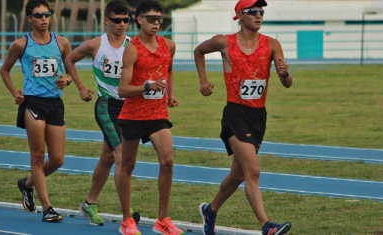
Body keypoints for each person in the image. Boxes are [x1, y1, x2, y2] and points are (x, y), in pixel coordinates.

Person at [193, 0, 293, 234]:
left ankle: (210, 211)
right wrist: (203, 80)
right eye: (253, 12)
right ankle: (267, 226)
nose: (259, 16)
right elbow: (199, 51)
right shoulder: (223, 42)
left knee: (238, 174)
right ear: (239, 15)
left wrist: (285, 74)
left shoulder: (272, 44)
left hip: (258, 116)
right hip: (235, 113)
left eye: (261, 12)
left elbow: (287, 83)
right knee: (253, 170)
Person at [64, 0, 140, 226]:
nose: (122, 24)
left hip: (128, 107)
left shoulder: (133, 45)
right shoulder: (95, 45)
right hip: (106, 105)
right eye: (117, 20)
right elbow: (69, 59)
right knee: (121, 157)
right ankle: (127, 214)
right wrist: (79, 86)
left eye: (126, 20)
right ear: (107, 20)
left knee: (107, 157)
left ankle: (89, 204)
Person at [0, 0, 77, 223]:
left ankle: (27, 184)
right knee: (37, 156)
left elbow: (71, 70)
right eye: (38, 15)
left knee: (57, 160)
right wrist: (15, 92)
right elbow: (5, 70)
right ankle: (47, 208)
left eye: (46, 14)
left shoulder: (62, 43)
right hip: (32, 103)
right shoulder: (21, 45)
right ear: (29, 19)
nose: (44, 18)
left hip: (55, 103)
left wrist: (68, 80)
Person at [116, 0, 182, 234]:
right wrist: (147, 86)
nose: (156, 23)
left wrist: (170, 93)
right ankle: (127, 220)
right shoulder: (132, 48)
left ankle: (162, 220)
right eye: (151, 18)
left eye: (159, 19)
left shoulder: (168, 45)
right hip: (133, 115)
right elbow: (122, 89)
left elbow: (169, 68)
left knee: (167, 161)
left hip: (157, 114)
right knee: (128, 165)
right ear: (139, 20)